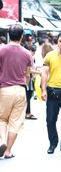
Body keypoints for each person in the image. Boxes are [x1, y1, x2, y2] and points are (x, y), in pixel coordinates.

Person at [0, 24, 32, 158]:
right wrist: (24, 86)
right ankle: (8, 151)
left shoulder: (1, 50)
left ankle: (2, 141)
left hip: (4, 89)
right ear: (22, 36)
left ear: (9, 34)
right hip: (20, 90)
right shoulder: (27, 53)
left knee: (1, 119)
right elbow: (28, 75)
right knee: (16, 121)